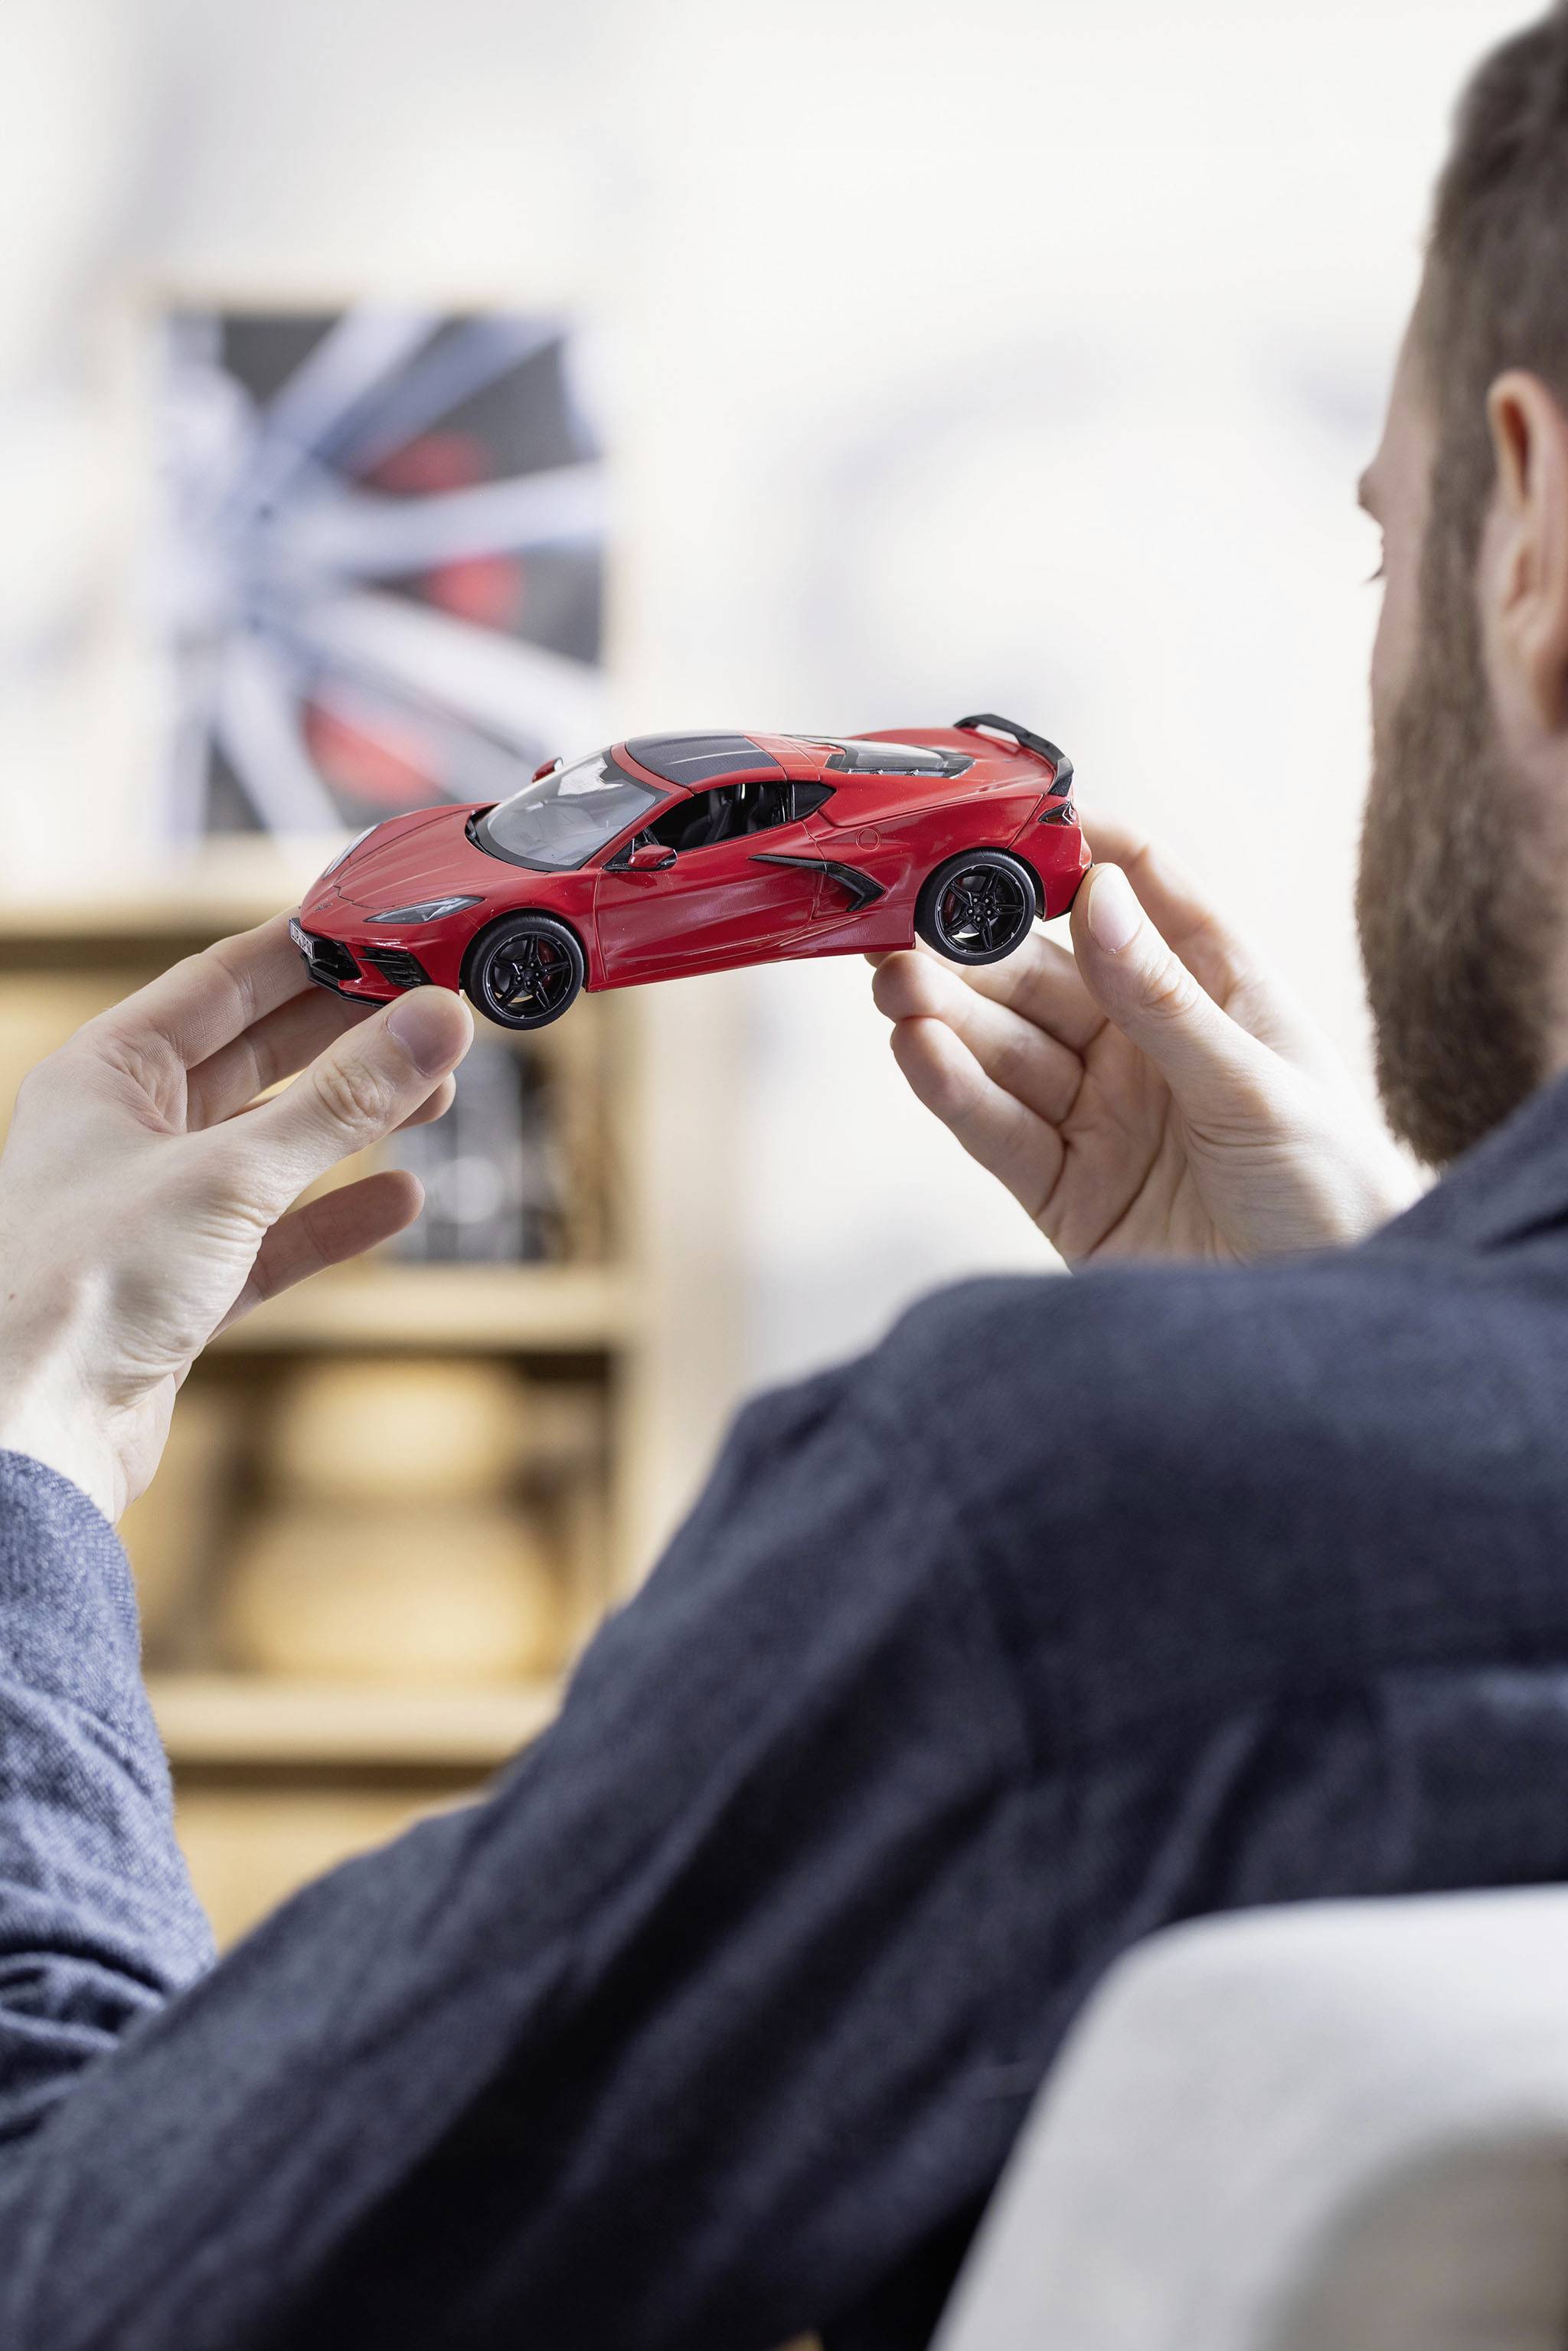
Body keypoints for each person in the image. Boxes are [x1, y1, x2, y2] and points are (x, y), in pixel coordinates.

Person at [5, 11, 1568, 2344]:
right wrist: (1357, 1323)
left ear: (1537, 543)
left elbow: (90, 2292)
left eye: (1387, 550)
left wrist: (18, 1463)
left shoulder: (1053, 1536)